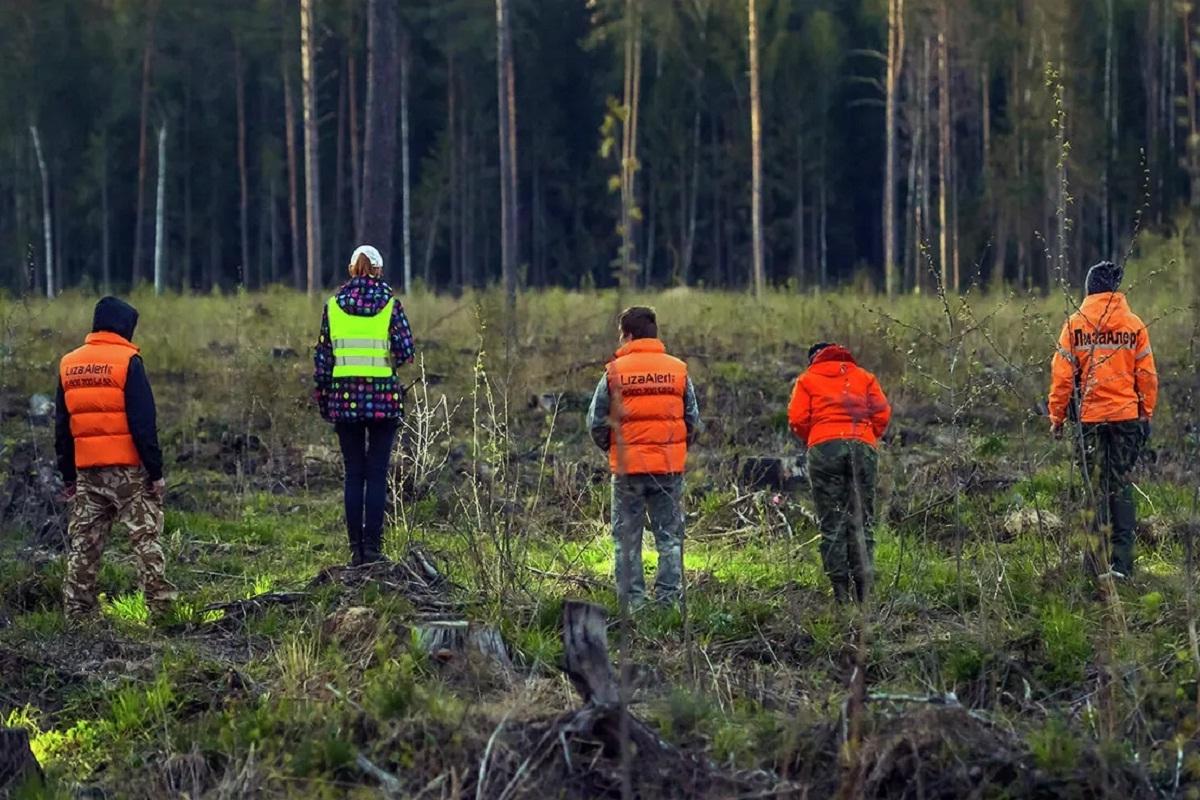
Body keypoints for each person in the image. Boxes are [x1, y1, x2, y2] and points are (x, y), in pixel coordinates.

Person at [55, 297, 176, 622]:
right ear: (125, 325)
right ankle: (161, 609)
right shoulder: (128, 362)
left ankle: (77, 612)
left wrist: (69, 476)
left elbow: (62, 427)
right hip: (128, 473)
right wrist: (155, 472)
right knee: (144, 539)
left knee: (85, 544)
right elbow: (143, 423)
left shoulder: (69, 363)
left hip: (87, 471)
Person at [1048, 260, 1157, 579]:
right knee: (1120, 485)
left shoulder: (1074, 325)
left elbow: (1062, 378)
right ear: (1115, 289)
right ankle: (1122, 566)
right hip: (1126, 417)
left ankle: (1094, 566)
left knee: (1095, 488)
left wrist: (1056, 416)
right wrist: (1145, 412)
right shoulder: (1134, 324)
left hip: (1090, 418)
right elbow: (1147, 375)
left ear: (1088, 289)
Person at [586, 306, 701, 608]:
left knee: (626, 540)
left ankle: (633, 605)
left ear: (629, 335)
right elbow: (693, 419)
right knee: (670, 538)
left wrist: (613, 449)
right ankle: (668, 603)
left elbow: (596, 422)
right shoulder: (678, 369)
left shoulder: (614, 372)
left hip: (627, 469)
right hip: (667, 468)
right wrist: (675, 448)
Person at [314, 245, 415, 566]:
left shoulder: (332, 306)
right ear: (377, 270)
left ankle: (354, 549)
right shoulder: (390, 304)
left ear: (351, 269)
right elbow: (405, 352)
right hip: (383, 401)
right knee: (377, 473)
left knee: (353, 473)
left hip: (343, 401)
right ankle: (373, 548)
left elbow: (322, 360)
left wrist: (324, 400)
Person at [788, 342, 891, 604]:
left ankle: (841, 593)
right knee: (862, 519)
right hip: (862, 446)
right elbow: (882, 413)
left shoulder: (807, 379)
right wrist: (867, 436)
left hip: (825, 448)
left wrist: (817, 437)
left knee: (831, 521)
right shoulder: (865, 377)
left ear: (814, 359)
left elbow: (797, 419)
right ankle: (864, 594)